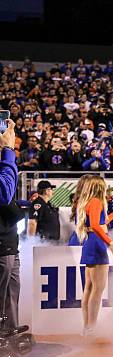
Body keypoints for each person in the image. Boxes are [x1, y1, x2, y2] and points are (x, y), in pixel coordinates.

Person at [75, 176, 113, 337]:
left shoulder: (88, 202)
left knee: (89, 288)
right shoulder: (96, 202)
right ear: (99, 187)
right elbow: (95, 225)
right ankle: (91, 327)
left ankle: (87, 327)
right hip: (97, 243)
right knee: (97, 289)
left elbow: (99, 222)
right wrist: (111, 243)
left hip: (90, 242)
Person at [0, 119, 24, 331]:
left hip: (8, 242)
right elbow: (4, 193)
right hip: (2, 245)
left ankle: (8, 332)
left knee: (9, 291)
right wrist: (7, 150)